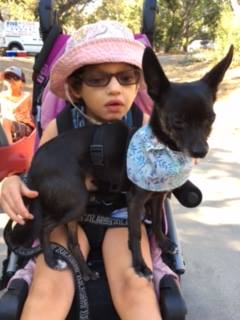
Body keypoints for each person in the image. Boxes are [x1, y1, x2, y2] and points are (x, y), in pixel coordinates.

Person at [0, 20, 164, 320]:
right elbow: (38, 176)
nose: (115, 87)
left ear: (137, 83)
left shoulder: (141, 126)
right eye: (99, 79)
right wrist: (10, 183)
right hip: (67, 221)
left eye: (126, 77)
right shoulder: (59, 128)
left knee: (135, 284)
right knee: (49, 284)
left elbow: (160, 172)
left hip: (121, 218)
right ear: (76, 88)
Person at [0, 66, 35, 143]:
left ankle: (9, 151)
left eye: (15, 77)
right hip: (5, 127)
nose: (11, 80)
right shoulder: (1, 95)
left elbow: (14, 110)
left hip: (25, 128)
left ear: (22, 83)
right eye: (8, 77)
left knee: (4, 121)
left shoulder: (27, 96)